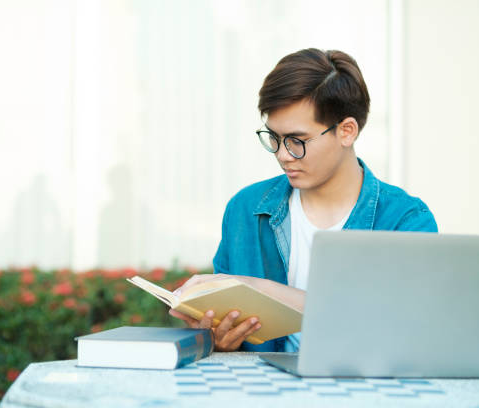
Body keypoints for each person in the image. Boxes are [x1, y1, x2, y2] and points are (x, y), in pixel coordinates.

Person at [169, 48, 437, 352]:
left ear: (346, 131)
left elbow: (402, 329)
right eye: (274, 138)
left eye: (297, 141)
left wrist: (260, 288)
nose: (283, 155)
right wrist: (218, 340)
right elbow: (221, 330)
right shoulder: (245, 209)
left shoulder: (405, 220)